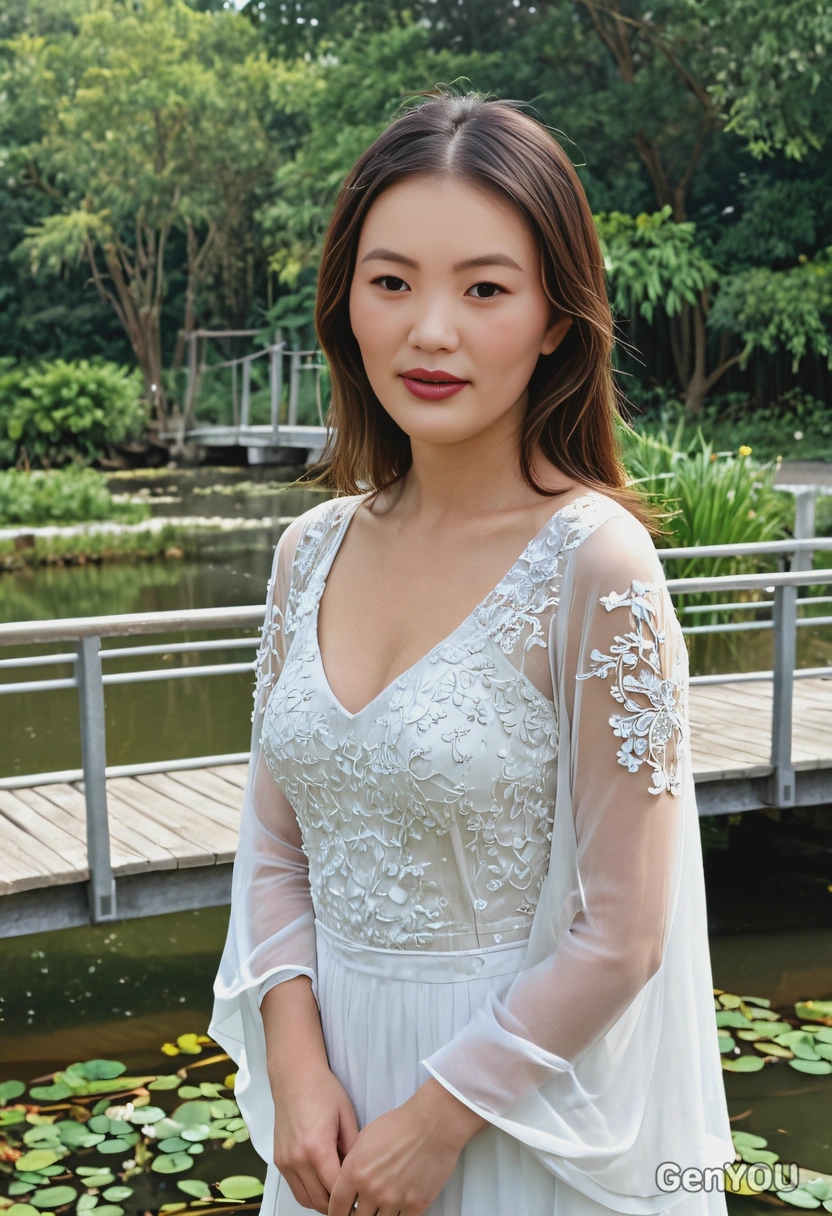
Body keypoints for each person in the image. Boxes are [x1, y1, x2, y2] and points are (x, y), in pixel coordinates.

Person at [209, 91, 734, 1216]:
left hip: (507, 1110)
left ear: (555, 317)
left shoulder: (596, 566)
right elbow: (272, 845)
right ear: (345, 300)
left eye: (483, 288)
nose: (429, 330)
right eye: (391, 282)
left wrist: (438, 1119)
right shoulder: (309, 551)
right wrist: (295, 1063)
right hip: (330, 1116)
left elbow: (621, 932)